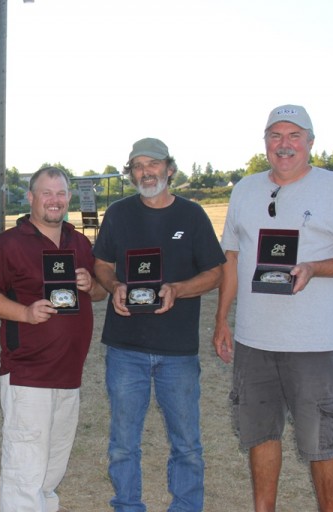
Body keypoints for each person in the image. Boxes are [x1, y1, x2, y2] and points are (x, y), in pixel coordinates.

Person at [212, 105, 333, 512]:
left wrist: (314, 268)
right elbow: (231, 260)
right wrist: (221, 320)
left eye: (293, 135)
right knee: (259, 433)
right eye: (275, 135)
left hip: (315, 343)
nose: (284, 144)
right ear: (265, 142)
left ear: (310, 142)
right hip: (255, 341)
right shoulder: (244, 190)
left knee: (321, 441)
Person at [93, 138, 225, 512]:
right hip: (125, 348)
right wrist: (114, 285)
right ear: (130, 171)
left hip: (177, 350)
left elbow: (215, 272)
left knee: (186, 443)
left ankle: (185, 506)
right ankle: (128, 506)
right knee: (123, 443)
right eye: (137, 165)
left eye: (153, 164)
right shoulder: (118, 213)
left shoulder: (192, 215)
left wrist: (179, 289)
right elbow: (101, 263)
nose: (145, 171)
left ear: (169, 168)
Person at [0, 166, 107, 512]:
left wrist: (91, 286)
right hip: (28, 373)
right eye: (46, 193)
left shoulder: (78, 242)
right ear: (31, 198)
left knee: (51, 469)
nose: (55, 200)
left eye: (61, 193)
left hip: (69, 374)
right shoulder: (7, 244)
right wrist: (26, 313)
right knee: (25, 469)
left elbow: (101, 293)